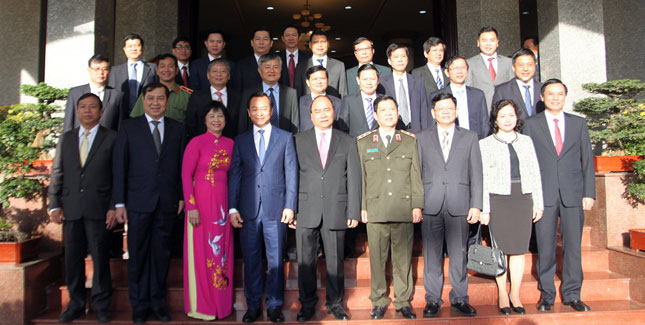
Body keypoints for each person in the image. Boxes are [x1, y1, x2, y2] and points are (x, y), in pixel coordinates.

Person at [113, 82, 186, 323]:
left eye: (160, 98)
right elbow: (119, 168)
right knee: (138, 255)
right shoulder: (128, 127)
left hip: (166, 203)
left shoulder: (177, 129)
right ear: (144, 101)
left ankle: (158, 303)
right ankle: (139, 305)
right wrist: (119, 203)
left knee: (161, 255)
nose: (156, 102)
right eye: (151, 98)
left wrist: (180, 196)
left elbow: (180, 168)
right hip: (137, 202)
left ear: (167, 101)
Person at [523, 79, 596, 312]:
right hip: (543, 194)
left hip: (573, 193)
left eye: (560, 94)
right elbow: (528, 163)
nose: (556, 98)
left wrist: (589, 193)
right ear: (542, 98)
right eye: (551, 94)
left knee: (573, 245)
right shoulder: (531, 124)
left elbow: (587, 162)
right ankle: (547, 294)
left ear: (565, 97)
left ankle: (573, 294)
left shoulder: (578, 124)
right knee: (545, 245)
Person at [228, 92, 298, 323]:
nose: (259, 112)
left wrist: (290, 205)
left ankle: (275, 305)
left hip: (275, 209)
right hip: (248, 210)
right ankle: (253, 305)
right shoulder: (240, 140)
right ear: (248, 112)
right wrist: (232, 208)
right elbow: (235, 176)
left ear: (272, 111)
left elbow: (292, 174)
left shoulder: (286, 137)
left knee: (276, 260)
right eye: (254, 109)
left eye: (264, 108)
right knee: (251, 260)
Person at [48, 93, 117, 323]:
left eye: (93, 107)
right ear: (77, 111)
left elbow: (118, 176)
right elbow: (57, 171)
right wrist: (54, 203)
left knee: (100, 257)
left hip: (99, 208)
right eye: (83, 107)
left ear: (100, 111)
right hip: (71, 208)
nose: (88, 111)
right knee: (73, 259)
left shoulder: (112, 138)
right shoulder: (66, 138)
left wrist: (113, 206)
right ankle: (75, 304)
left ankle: (101, 304)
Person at [293, 95, 360, 321]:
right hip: (305, 208)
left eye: (327, 110)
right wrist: (291, 209)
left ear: (334, 112)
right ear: (310, 115)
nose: (323, 114)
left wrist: (353, 210)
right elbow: (292, 177)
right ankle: (307, 304)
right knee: (305, 261)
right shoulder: (297, 140)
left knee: (335, 261)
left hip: (336, 208)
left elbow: (354, 178)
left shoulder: (348, 141)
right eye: (318, 111)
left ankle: (336, 303)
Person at [356, 96, 423, 320]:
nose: (388, 113)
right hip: (375, 208)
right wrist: (362, 206)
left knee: (403, 259)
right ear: (375, 115)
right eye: (383, 110)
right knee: (377, 258)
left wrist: (417, 204)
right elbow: (362, 179)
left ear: (398, 113)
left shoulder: (409, 141)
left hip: (403, 207)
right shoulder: (364, 142)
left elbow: (416, 175)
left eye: (392, 109)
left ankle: (403, 301)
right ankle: (378, 300)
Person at [416, 93, 482, 318]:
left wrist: (476, 204)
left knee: (459, 253)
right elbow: (416, 174)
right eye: (440, 108)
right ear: (433, 113)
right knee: (431, 254)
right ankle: (433, 299)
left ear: (456, 111)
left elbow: (477, 173)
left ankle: (460, 298)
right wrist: (417, 204)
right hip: (430, 203)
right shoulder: (422, 137)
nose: (445, 112)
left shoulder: (470, 137)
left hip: (460, 203)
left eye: (449, 108)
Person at [479, 99, 544, 315]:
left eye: (511, 115)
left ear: (517, 118)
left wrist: (538, 203)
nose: (508, 119)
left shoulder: (526, 141)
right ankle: (502, 294)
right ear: (495, 119)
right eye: (503, 115)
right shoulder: (485, 144)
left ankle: (515, 293)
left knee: (518, 250)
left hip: (523, 198)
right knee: (500, 250)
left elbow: (535, 173)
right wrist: (485, 209)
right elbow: (484, 178)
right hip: (498, 199)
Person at [181, 101, 234, 320]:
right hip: (200, 206)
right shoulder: (196, 143)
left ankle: (221, 305)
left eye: (220, 116)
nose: (216, 120)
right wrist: (191, 206)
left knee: (222, 254)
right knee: (201, 255)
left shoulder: (231, 144)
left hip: (222, 207)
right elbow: (185, 176)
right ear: (204, 119)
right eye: (211, 116)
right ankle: (202, 306)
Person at [428, 56, 489, 139]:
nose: (459, 71)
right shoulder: (436, 95)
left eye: (463, 68)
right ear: (447, 72)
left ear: (467, 71)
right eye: (455, 68)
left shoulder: (478, 94)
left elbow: (484, 123)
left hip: (475, 141)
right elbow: (432, 124)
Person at [239, 53, 299, 134]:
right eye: (267, 67)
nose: (272, 70)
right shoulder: (248, 93)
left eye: (276, 67)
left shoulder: (291, 94)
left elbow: (295, 124)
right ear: (259, 71)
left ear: (281, 69)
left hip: (283, 142)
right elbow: (243, 123)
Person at [64, 55, 125, 132]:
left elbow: (120, 125)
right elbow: (68, 124)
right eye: (97, 69)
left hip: (108, 142)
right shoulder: (75, 93)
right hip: (80, 140)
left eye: (104, 69)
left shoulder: (117, 95)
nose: (100, 72)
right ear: (89, 70)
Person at [185, 58, 241, 139]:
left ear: (229, 76)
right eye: (214, 71)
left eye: (223, 71)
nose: (219, 74)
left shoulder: (238, 97)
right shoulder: (197, 97)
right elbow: (191, 124)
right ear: (208, 75)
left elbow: (241, 124)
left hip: (232, 144)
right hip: (204, 144)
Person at [380, 43, 429, 133]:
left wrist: (424, 132)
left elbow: (423, 109)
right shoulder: (382, 83)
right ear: (389, 61)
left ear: (407, 59)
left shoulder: (418, 81)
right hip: (393, 130)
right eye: (396, 57)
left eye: (403, 56)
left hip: (416, 130)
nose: (400, 60)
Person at [130, 53, 192, 122]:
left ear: (177, 70)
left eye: (170, 66)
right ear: (157, 70)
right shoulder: (147, 92)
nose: (166, 70)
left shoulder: (187, 95)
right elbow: (135, 119)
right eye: (162, 66)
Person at [466, 26, 515, 111]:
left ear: (497, 42)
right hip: (481, 110)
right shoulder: (469, 63)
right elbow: (468, 89)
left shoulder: (508, 62)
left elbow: (513, 87)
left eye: (492, 40)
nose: (488, 44)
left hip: (504, 111)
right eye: (484, 40)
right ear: (478, 43)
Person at [108, 34, 156, 114]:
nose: (133, 49)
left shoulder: (153, 68)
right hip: (122, 115)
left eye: (137, 45)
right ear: (124, 49)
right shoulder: (115, 71)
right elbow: (112, 95)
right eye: (130, 46)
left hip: (147, 114)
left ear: (142, 48)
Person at [492, 48, 544, 120]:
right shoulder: (502, 90)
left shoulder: (543, 88)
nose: (525, 69)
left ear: (535, 66)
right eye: (521, 65)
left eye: (529, 64)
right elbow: (495, 118)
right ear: (513, 67)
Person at [295, 29, 347, 98]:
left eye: (323, 42)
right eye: (316, 42)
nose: (320, 45)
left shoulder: (339, 65)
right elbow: (298, 93)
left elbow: (343, 92)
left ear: (328, 44)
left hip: (334, 106)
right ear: (310, 45)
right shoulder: (301, 66)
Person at [339, 64, 381, 137]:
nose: (369, 83)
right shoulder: (349, 101)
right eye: (365, 79)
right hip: (356, 145)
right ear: (358, 80)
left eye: (372, 79)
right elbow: (343, 127)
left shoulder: (385, 101)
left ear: (378, 80)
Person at [298, 65, 343, 131]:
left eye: (322, 78)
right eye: (315, 79)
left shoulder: (338, 103)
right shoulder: (300, 102)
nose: (319, 82)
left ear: (327, 80)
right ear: (307, 82)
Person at [232, 27, 273, 92]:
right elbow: (237, 91)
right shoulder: (241, 65)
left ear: (271, 43)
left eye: (265, 39)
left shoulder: (279, 63)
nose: (261, 42)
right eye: (258, 39)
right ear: (252, 43)